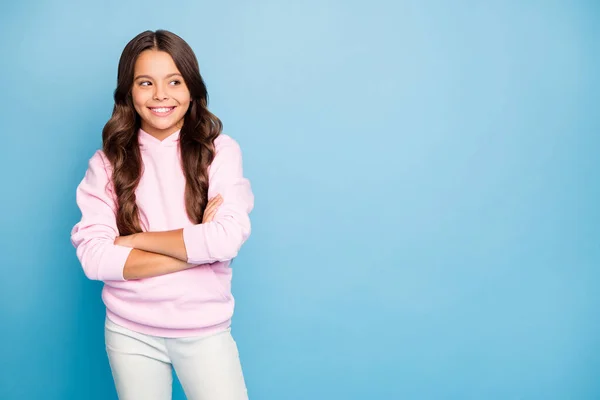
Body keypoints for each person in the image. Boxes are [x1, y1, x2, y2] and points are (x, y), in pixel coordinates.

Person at [70, 29, 253, 400]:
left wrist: (135, 241)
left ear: (191, 88)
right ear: (128, 91)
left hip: (203, 329)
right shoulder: (106, 163)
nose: (160, 95)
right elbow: (94, 259)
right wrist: (197, 249)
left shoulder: (219, 151)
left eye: (174, 81)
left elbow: (227, 238)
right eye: (145, 82)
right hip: (129, 331)